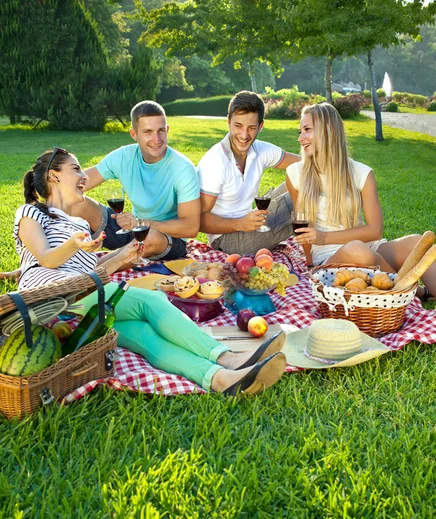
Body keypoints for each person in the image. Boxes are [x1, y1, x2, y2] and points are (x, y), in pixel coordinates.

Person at [13, 148, 287, 395]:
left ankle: (220, 378)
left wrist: (122, 255)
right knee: (152, 301)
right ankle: (227, 357)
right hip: (49, 304)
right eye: (75, 169)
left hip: (79, 315)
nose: (84, 175)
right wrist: (74, 245)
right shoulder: (29, 213)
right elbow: (48, 260)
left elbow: (92, 272)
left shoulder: (77, 224)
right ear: (54, 176)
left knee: (145, 335)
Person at [285, 102, 436, 299]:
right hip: (330, 258)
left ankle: (411, 290)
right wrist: (310, 265)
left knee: (418, 243)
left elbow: (374, 230)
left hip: (369, 247)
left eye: (307, 130)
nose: (300, 138)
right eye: (300, 131)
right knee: (356, 249)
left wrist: (324, 236)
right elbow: (302, 228)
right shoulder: (296, 174)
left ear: (328, 131)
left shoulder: (361, 173)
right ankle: (409, 292)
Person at [70, 100, 201, 260]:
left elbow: (191, 227)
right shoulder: (124, 157)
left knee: (149, 239)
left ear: (167, 130)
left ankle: (96, 266)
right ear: (134, 134)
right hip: (131, 229)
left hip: (166, 239)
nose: (157, 139)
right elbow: (80, 183)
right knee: (78, 204)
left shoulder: (182, 168)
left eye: (161, 131)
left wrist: (143, 223)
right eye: (148, 132)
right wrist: (48, 204)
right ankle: (67, 258)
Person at [197, 90, 301, 255]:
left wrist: (339, 164)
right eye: (238, 126)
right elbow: (198, 220)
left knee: (302, 180)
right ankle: (325, 241)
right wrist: (239, 223)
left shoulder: (260, 150)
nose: (244, 135)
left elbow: (303, 164)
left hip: (249, 223)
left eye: (251, 128)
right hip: (226, 240)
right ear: (229, 121)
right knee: (303, 195)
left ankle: (330, 234)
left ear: (260, 126)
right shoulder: (215, 161)